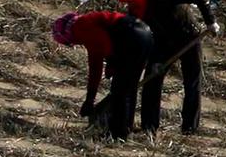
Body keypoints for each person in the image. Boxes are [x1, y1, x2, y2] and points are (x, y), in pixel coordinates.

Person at [118, 0, 217, 135]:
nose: (130, 4)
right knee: (152, 80)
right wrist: (153, 60)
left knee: (192, 81)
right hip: (162, 43)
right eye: (127, 1)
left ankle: (189, 128)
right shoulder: (135, 11)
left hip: (189, 35)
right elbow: (144, 36)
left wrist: (210, 21)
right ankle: (149, 126)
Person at [51, 10, 155, 140]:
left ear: (67, 34)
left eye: (67, 42)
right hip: (145, 35)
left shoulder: (81, 27)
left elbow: (104, 42)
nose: (73, 45)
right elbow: (95, 66)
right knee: (129, 88)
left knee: (119, 91)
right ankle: (126, 128)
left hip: (131, 37)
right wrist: (90, 99)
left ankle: (117, 134)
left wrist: (112, 63)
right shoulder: (86, 25)